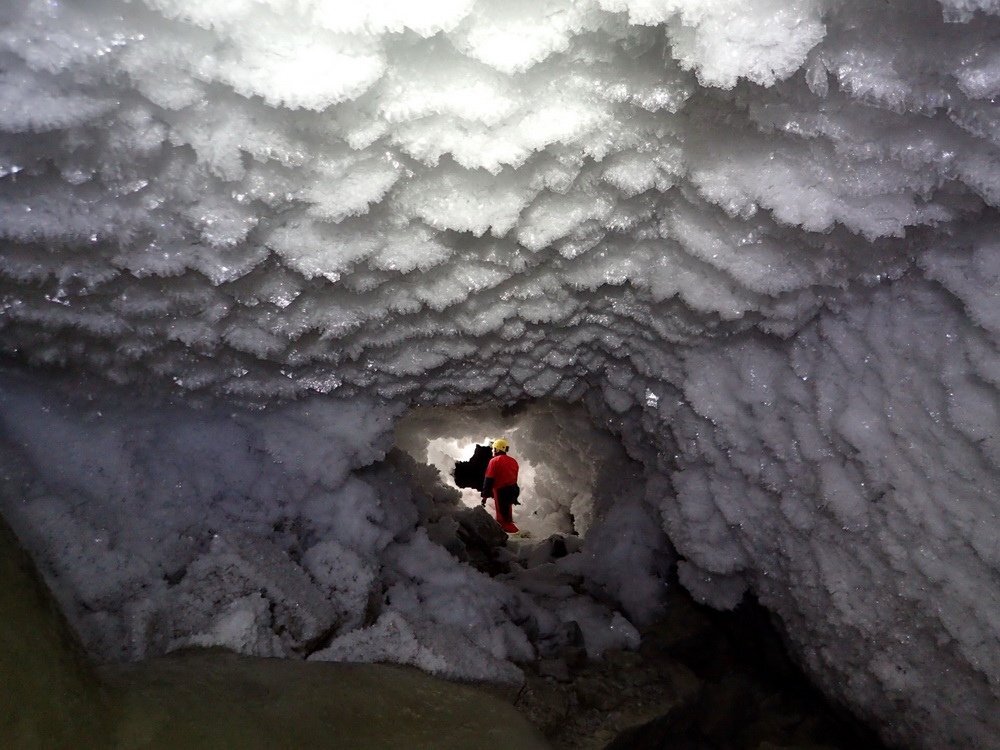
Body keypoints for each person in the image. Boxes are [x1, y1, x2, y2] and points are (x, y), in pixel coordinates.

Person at [481, 438, 520, 534]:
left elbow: (488, 479)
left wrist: (484, 497)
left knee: (502, 517)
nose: (492, 450)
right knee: (507, 511)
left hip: (501, 490)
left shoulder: (494, 461)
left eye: (494, 448)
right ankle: (510, 527)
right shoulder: (513, 461)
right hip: (513, 489)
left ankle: (511, 533)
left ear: (498, 449)